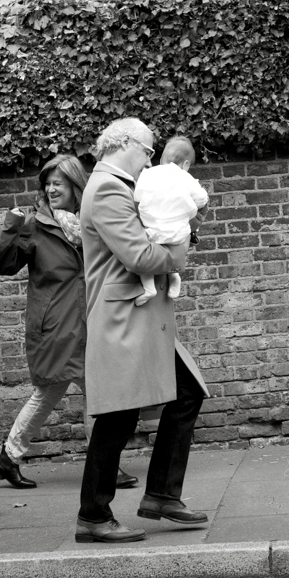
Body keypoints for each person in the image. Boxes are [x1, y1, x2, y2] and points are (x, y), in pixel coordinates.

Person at [76, 117, 210, 543]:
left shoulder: (118, 185)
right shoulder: (108, 188)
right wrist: (180, 243)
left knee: (186, 393)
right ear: (127, 144)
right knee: (118, 416)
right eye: (149, 151)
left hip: (139, 316)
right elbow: (140, 256)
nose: (151, 160)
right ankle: (93, 515)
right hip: (124, 319)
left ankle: (161, 495)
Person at [0, 154, 136, 492]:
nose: (52, 189)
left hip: (87, 321)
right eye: (48, 184)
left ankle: (9, 458)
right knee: (72, 392)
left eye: (59, 184)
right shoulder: (35, 226)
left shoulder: (88, 222)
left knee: (81, 392)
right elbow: (5, 265)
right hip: (56, 325)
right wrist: (12, 224)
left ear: (75, 187)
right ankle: (103, 466)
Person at [132, 135, 208, 303]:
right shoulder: (185, 177)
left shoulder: (148, 174)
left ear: (161, 158)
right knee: (176, 253)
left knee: (144, 254)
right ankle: (175, 277)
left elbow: (137, 197)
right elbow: (203, 199)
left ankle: (148, 287)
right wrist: (190, 204)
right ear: (186, 164)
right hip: (178, 234)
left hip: (152, 233)